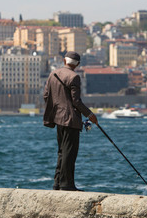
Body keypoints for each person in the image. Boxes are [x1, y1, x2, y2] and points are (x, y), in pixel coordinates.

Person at [43, 51, 98, 191]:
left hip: (58, 119)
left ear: (64, 61)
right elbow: (76, 102)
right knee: (70, 153)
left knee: (62, 151)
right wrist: (90, 115)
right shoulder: (74, 77)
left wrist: (57, 110)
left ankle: (57, 183)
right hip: (71, 120)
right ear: (78, 64)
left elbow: (46, 96)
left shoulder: (53, 74)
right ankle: (67, 185)